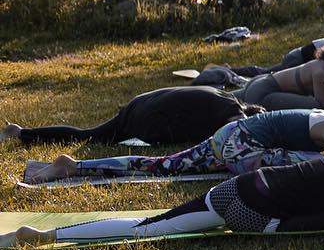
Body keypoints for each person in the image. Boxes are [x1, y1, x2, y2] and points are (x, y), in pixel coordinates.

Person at [1, 143, 324, 248]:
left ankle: (50, 236)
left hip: (232, 191)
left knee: (148, 227)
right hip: (253, 212)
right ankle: (50, 237)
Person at [23, 108, 324, 183]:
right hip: (241, 145)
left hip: (229, 138)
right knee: (308, 168)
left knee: (160, 165)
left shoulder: (322, 120)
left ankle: (71, 166)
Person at [1, 86, 259, 146]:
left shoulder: (224, 94)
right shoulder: (235, 112)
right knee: (89, 138)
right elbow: (238, 135)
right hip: (154, 121)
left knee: (87, 136)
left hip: (138, 105)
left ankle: (20, 132)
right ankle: (20, 133)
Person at [195, 41, 324, 91]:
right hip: (298, 57)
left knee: (262, 72)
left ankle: (227, 71)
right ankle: (224, 72)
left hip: (302, 58)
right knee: (263, 74)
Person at [239, 37, 324, 112]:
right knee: (315, 108)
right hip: (262, 92)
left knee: (223, 99)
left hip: (260, 86)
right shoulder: (321, 72)